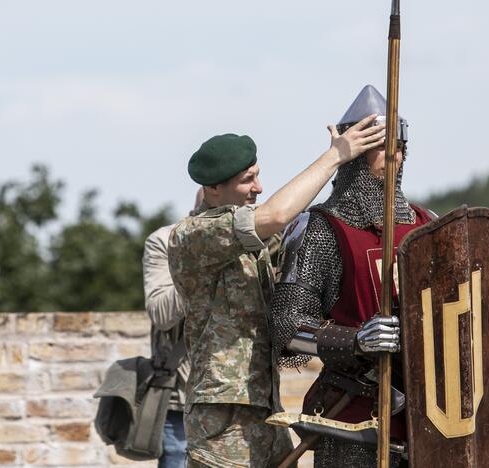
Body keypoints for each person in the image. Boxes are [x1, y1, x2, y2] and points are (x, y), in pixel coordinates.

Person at [167, 115, 385, 468]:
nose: (258, 188)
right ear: (212, 190)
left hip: (264, 405)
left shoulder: (250, 245)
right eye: (247, 180)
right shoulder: (193, 236)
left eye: (257, 175)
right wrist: (335, 157)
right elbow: (277, 215)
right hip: (223, 418)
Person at [270, 85, 433, 468]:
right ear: (354, 150)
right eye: (378, 144)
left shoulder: (430, 227)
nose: (393, 153)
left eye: (398, 144)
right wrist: (357, 340)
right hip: (355, 419)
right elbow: (286, 326)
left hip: (429, 421)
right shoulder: (321, 228)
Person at [143, 191, 205, 467]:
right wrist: (204, 259)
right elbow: (161, 314)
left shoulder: (259, 240)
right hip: (182, 401)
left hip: (242, 402)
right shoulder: (165, 240)